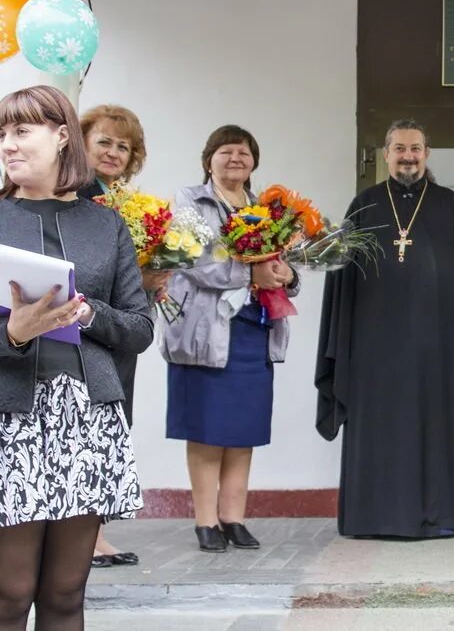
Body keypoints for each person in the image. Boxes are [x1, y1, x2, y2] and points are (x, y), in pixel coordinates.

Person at [0, 85, 150, 629]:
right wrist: (14, 335)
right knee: (10, 594)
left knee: (66, 595)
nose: (9, 145)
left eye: (22, 131)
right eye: (3, 134)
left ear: (62, 136)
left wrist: (88, 315)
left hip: (85, 419)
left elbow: (139, 328)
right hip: (9, 420)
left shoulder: (105, 225)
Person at [315, 119, 454, 538]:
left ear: (426, 153)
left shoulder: (450, 205)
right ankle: (377, 517)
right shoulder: (363, 204)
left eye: (415, 148)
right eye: (399, 149)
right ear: (386, 153)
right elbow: (341, 283)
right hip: (376, 348)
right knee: (384, 430)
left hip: (442, 347)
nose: (408, 156)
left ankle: (443, 516)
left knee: (438, 428)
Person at [161, 125, 300, 552]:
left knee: (242, 428)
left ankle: (233, 517)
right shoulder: (189, 200)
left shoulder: (267, 208)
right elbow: (191, 258)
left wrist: (287, 274)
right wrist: (247, 272)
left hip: (254, 328)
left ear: (254, 162)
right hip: (205, 329)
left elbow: (283, 264)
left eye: (244, 152)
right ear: (209, 160)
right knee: (206, 428)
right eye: (226, 151)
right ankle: (206, 521)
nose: (235, 158)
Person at [79, 104, 163, 568]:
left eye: (123, 146)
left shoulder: (122, 203)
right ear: (81, 143)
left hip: (119, 332)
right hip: (89, 335)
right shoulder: (77, 197)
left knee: (110, 429)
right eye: (104, 142)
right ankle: (86, 539)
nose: (114, 152)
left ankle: (93, 534)